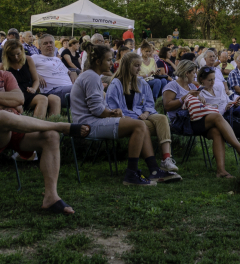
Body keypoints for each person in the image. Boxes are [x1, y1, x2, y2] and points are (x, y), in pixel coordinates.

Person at [0, 35, 91, 214]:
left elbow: (19, 100)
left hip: (13, 129)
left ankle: (51, 197)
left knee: (50, 136)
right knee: (2, 116)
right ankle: (61, 126)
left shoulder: (5, 75)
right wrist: (7, 102)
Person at [72, 42, 180, 186]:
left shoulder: (92, 76)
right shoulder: (92, 77)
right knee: (138, 125)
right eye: (109, 60)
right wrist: (114, 113)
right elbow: (97, 111)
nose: (112, 63)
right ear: (98, 62)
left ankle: (153, 170)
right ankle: (132, 174)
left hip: (92, 120)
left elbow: (98, 107)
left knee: (140, 124)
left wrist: (113, 112)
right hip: (87, 124)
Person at [105, 52, 179, 171]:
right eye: (136, 66)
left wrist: (146, 112)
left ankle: (166, 159)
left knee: (162, 118)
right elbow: (112, 108)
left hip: (142, 114)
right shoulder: (116, 84)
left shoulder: (141, 82)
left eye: (140, 65)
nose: (139, 69)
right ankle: (155, 164)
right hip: (127, 119)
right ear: (127, 66)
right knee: (157, 126)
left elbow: (149, 103)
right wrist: (125, 117)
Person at [197, 65, 240, 150]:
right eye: (209, 80)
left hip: (233, 113)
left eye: (214, 79)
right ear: (201, 80)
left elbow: (227, 100)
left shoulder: (218, 88)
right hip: (222, 121)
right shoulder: (200, 95)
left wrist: (235, 102)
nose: (212, 82)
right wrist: (224, 109)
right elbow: (209, 115)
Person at [0, 40, 59, 118]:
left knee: (55, 99)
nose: (16, 57)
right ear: (7, 55)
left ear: (22, 51)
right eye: (12, 55)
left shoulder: (28, 60)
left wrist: (33, 88)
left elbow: (36, 80)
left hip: (29, 92)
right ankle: (37, 126)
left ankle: (53, 125)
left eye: (18, 54)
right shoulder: (2, 66)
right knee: (42, 99)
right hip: (15, 95)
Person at [32, 35, 76, 103]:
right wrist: (36, 75)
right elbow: (23, 68)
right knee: (82, 88)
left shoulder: (57, 59)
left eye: (51, 43)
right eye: (45, 43)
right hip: (53, 92)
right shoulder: (35, 57)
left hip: (69, 88)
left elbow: (67, 71)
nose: (49, 45)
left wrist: (72, 72)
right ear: (40, 47)